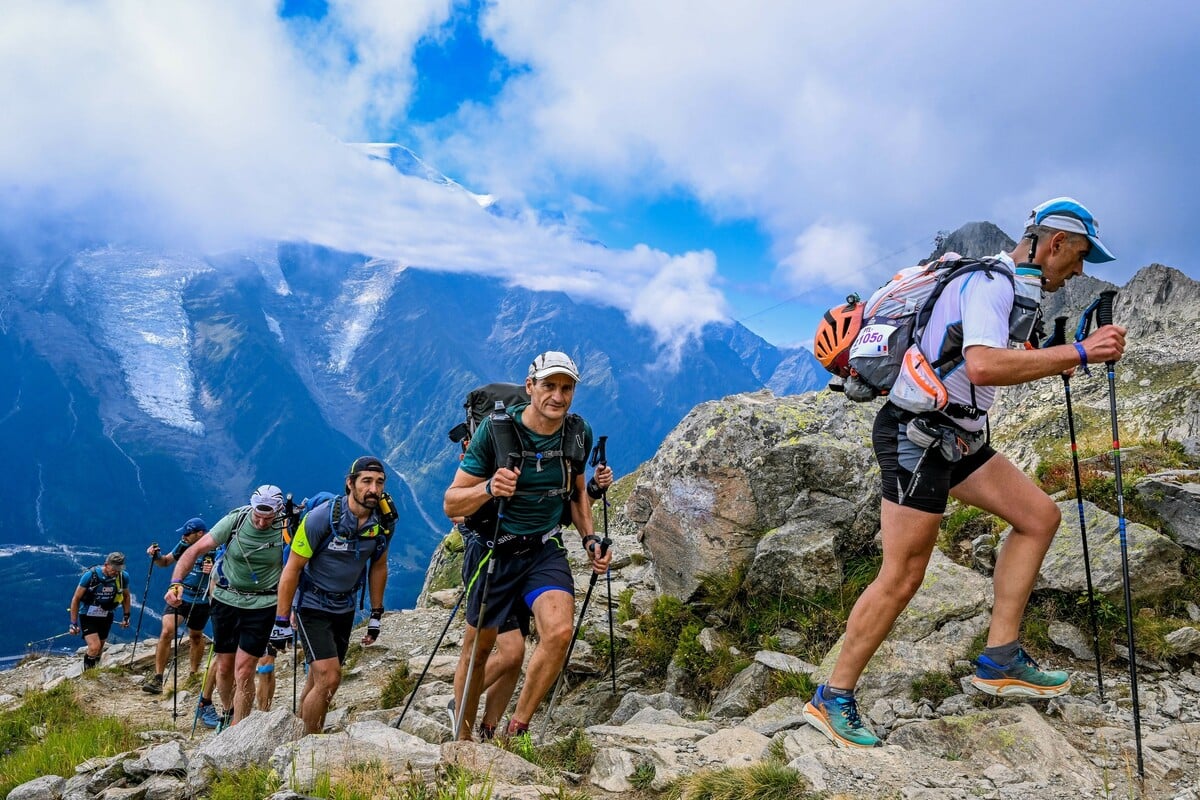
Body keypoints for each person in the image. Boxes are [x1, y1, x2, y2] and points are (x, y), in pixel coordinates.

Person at [804, 197, 1126, 748]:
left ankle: (1000, 658)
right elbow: (982, 364)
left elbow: (981, 362)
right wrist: (1079, 353)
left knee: (1038, 517)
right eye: (1077, 256)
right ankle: (831, 698)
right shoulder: (992, 284)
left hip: (957, 436)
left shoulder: (1004, 289)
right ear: (1052, 244)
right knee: (903, 575)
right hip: (917, 439)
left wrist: (1050, 351)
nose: (1078, 270)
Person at [444, 350, 613, 740]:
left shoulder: (577, 433)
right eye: (549, 385)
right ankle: (462, 742)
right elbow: (451, 501)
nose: (558, 395)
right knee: (485, 652)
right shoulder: (496, 432)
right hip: (493, 552)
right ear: (530, 387)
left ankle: (513, 730)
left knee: (558, 632)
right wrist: (488, 488)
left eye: (566, 388)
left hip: (542, 549)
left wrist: (589, 539)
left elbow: (575, 493)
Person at [454, 463, 614, 740]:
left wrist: (594, 490)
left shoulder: (565, 447)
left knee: (535, 644)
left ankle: (495, 731)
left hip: (538, 554)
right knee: (511, 653)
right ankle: (461, 710)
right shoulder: (496, 443)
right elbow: (456, 510)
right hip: (494, 560)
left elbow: (566, 505)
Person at [272, 456, 394, 733]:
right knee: (329, 678)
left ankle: (298, 735)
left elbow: (378, 567)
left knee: (318, 680)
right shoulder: (320, 518)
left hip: (345, 606)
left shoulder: (384, 521)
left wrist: (376, 614)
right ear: (350, 484)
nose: (373, 489)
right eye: (366, 481)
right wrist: (281, 621)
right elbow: (292, 569)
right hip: (312, 605)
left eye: (379, 482)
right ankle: (310, 747)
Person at [167, 485, 289, 727]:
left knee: (244, 670)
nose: (263, 523)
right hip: (225, 599)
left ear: (279, 512)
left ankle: (237, 729)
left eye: (269, 518)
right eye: (258, 516)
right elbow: (194, 551)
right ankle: (228, 711)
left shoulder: (288, 529)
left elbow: (298, 564)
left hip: (263, 604)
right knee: (224, 668)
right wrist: (175, 583)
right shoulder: (236, 520)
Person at [142, 517, 212, 694]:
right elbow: (165, 562)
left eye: (188, 533)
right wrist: (156, 556)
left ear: (200, 534)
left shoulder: (215, 547)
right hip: (180, 594)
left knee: (196, 636)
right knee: (167, 631)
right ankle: (158, 678)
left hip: (202, 598)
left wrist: (215, 569)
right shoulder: (183, 544)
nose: (184, 536)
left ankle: (193, 674)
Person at [69, 552, 132, 670]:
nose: (116, 572)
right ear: (106, 565)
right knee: (94, 647)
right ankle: (88, 676)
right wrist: (73, 623)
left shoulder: (123, 577)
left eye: (119, 569)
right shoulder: (90, 575)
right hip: (88, 615)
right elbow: (76, 598)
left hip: (106, 614)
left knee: (100, 648)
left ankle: (95, 671)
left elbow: (126, 596)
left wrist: (126, 616)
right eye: (114, 569)